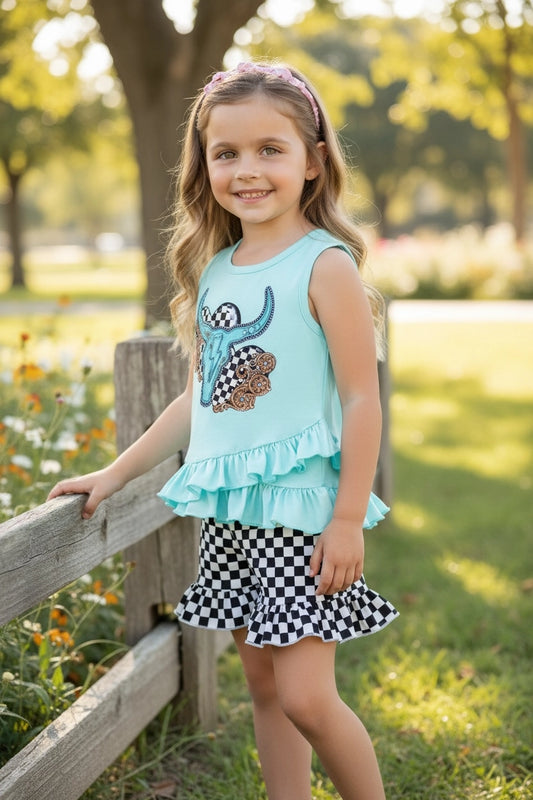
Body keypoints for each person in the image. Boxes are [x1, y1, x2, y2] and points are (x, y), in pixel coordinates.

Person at [48, 61, 399, 800]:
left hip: (300, 509)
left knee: (306, 696)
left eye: (270, 149)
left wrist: (345, 518)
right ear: (202, 164)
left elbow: (361, 400)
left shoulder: (322, 265)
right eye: (226, 153)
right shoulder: (217, 271)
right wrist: (115, 474)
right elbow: (196, 401)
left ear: (312, 162)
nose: (247, 169)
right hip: (233, 511)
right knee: (263, 683)